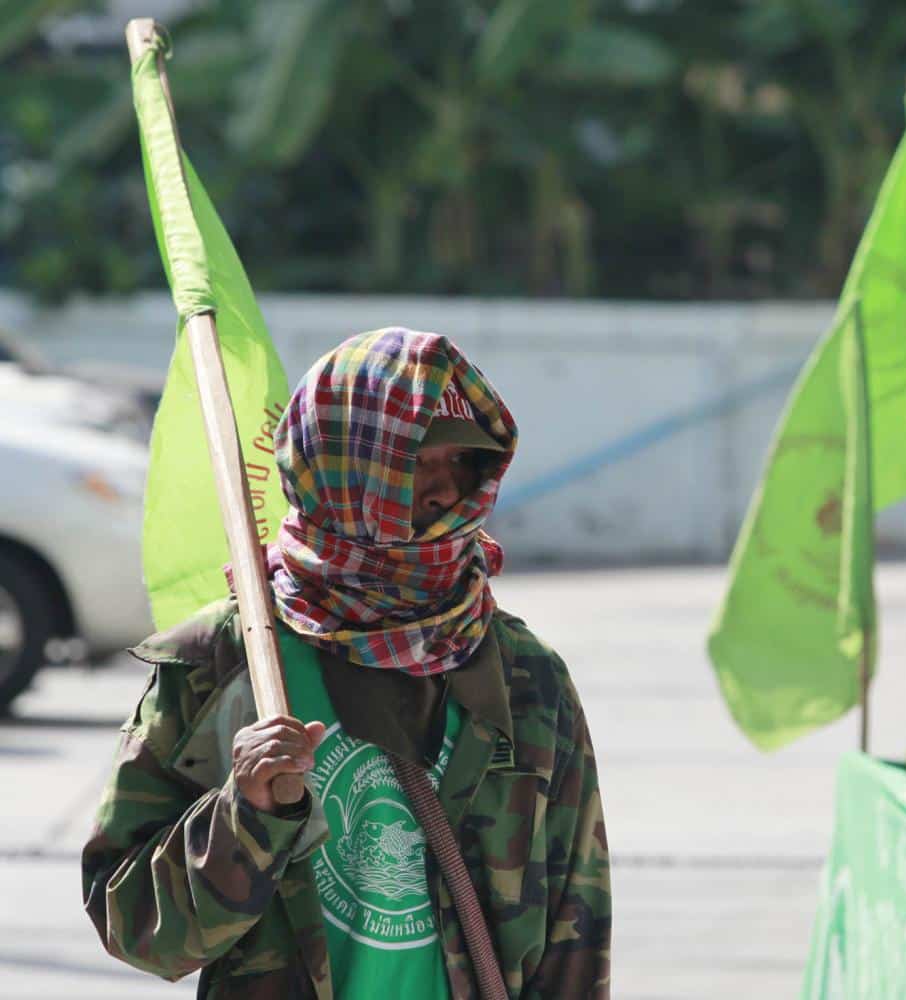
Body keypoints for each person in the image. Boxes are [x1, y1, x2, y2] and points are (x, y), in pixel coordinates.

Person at [81, 328, 611, 998]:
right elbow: (135, 929)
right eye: (418, 464)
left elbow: (576, 928)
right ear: (342, 467)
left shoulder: (524, 676)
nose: (447, 493)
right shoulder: (226, 659)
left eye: (463, 465)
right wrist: (245, 815)